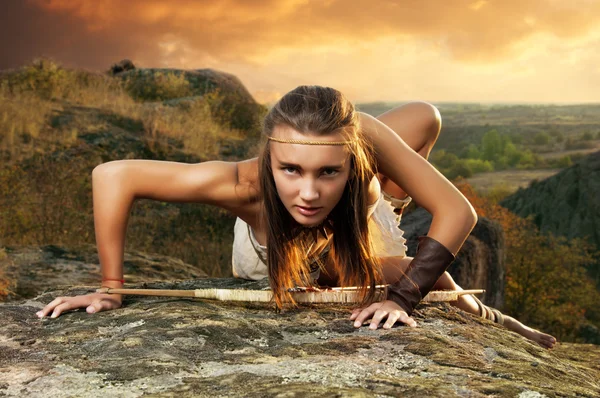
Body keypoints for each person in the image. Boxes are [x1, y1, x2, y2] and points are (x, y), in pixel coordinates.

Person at [37, 85, 557, 349]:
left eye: (328, 171)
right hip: (281, 250)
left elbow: (456, 210)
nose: (307, 193)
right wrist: (110, 287)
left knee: (424, 114)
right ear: (268, 158)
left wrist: (402, 298)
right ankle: (492, 319)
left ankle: (385, 203)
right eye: (289, 169)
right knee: (415, 274)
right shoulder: (240, 185)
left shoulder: (366, 134)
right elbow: (112, 175)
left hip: (358, 207)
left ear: (352, 153)